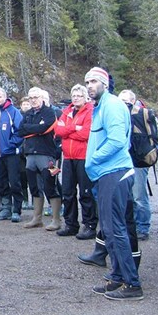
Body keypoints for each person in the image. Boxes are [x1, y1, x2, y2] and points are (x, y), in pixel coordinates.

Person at [84, 67, 143, 301]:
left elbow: (117, 141)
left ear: (105, 83)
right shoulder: (100, 107)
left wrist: (93, 158)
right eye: (87, 81)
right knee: (109, 229)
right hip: (106, 173)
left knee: (115, 229)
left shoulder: (113, 106)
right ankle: (117, 276)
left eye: (94, 81)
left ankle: (132, 283)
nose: (89, 85)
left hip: (114, 172)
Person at [54, 84, 96, 239]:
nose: (76, 98)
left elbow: (86, 133)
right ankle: (71, 224)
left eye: (79, 95)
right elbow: (58, 131)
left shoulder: (90, 110)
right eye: (74, 95)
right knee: (68, 192)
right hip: (68, 157)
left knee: (86, 192)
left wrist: (69, 130)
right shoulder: (67, 111)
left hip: (83, 156)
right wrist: (74, 128)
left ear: (85, 97)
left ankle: (90, 225)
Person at [17, 87, 62, 230]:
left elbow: (46, 128)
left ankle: (56, 219)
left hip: (48, 155)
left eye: (36, 97)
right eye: (30, 98)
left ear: (42, 97)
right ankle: (37, 218)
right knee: (34, 187)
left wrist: (32, 129)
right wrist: (37, 129)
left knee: (51, 185)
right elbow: (21, 130)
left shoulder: (50, 112)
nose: (33, 100)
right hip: (30, 155)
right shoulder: (28, 113)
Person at [118, 89, 158, 240]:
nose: (123, 105)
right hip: (124, 161)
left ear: (133, 101)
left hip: (139, 161)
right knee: (128, 196)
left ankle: (143, 227)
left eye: (126, 102)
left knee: (139, 196)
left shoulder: (141, 115)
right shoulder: (119, 115)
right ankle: (132, 226)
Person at [0, 87, 24, 222]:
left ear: (5, 97)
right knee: (1, 182)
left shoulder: (13, 112)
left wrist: (11, 144)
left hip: (11, 153)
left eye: (0, 97)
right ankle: (6, 208)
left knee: (14, 182)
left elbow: (20, 131)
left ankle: (16, 209)